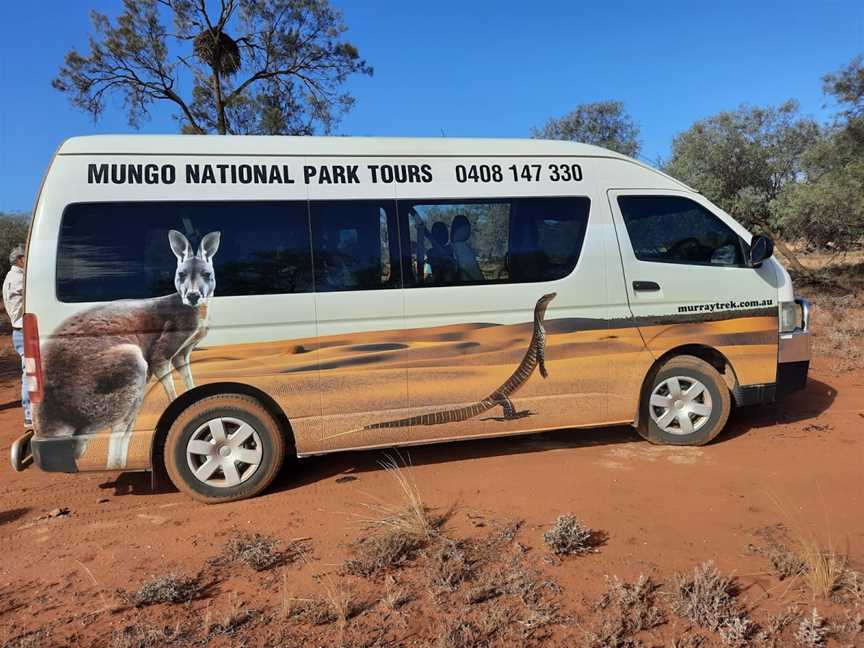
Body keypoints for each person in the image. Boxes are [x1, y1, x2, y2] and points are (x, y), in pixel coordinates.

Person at [3, 244, 31, 428]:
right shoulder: (20, 279)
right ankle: (29, 414)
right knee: (30, 371)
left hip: (18, 330)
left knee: (29, 370)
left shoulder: (9, 278)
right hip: (25, 330)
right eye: (26, 256)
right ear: (20, 259)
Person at [450, 215, 484, 281]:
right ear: (461, 229)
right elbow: (476, 276)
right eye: (467, 227)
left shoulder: (452, 247)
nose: (469, 230)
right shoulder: (462, 248)